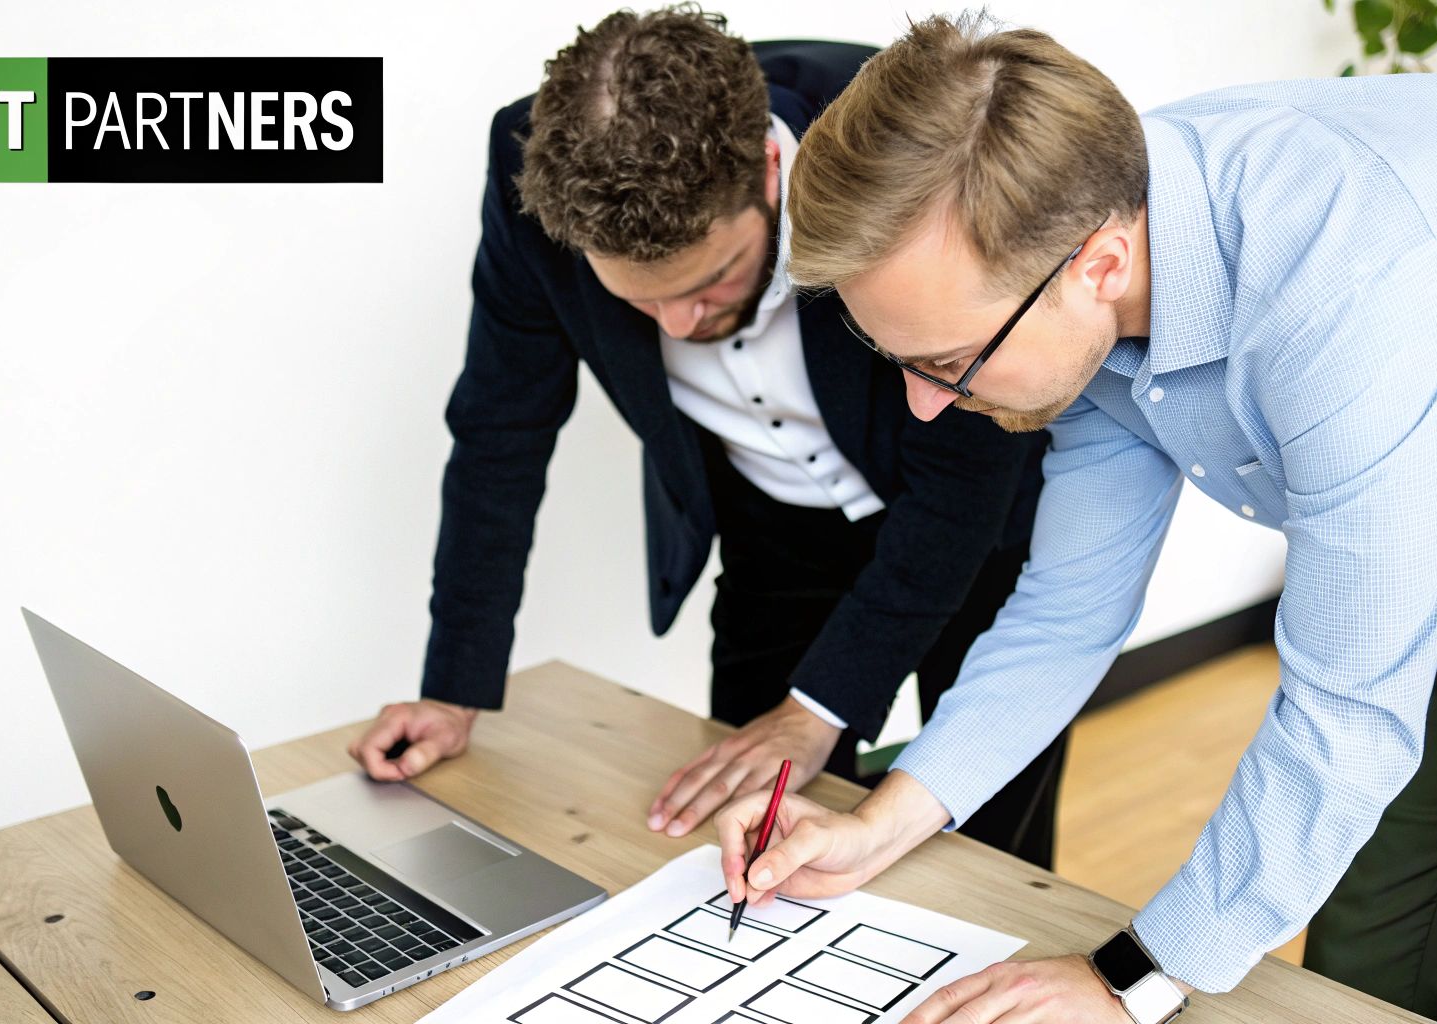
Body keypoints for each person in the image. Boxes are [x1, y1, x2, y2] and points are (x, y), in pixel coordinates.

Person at [717, 13, 1437, 1024]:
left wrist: (1126, 976)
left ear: (1097, 264)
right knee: (1349, 965)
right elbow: (1066, 610)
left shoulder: (1356, 298)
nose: (923, 407)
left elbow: (1345, 717)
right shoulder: (1084, 240)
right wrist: (881, 822)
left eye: (948, 361)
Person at [346, 6, 1068, 870]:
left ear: (770, 169)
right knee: (737, 825)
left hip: (977, 517)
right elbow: (499, 431)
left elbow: (965, 474)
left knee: (986, 848)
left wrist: (822, 707)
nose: (683, 326)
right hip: (772, 526)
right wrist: (453, 689)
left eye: (711, 280)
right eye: (640, 302)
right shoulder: (529, 175)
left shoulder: (906, 137)